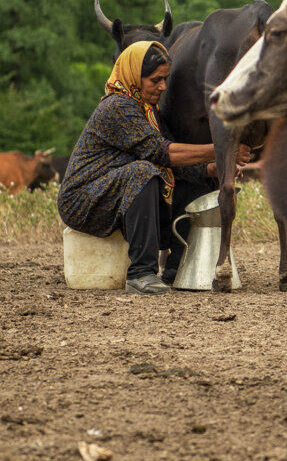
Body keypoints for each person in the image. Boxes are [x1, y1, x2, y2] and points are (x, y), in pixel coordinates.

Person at [58, 40, 248, 294]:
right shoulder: (117, 107)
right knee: (143, 173)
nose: (163, 87)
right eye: (155, 80)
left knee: (194, 182)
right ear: (136, 75)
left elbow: (171, 161)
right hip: (82, 200)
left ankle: (177, 266)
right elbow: (161, 152)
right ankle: (141, 273)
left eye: (165, 79)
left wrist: (212, 170)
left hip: (115, 191)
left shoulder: (149, 111)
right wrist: (223, 148)